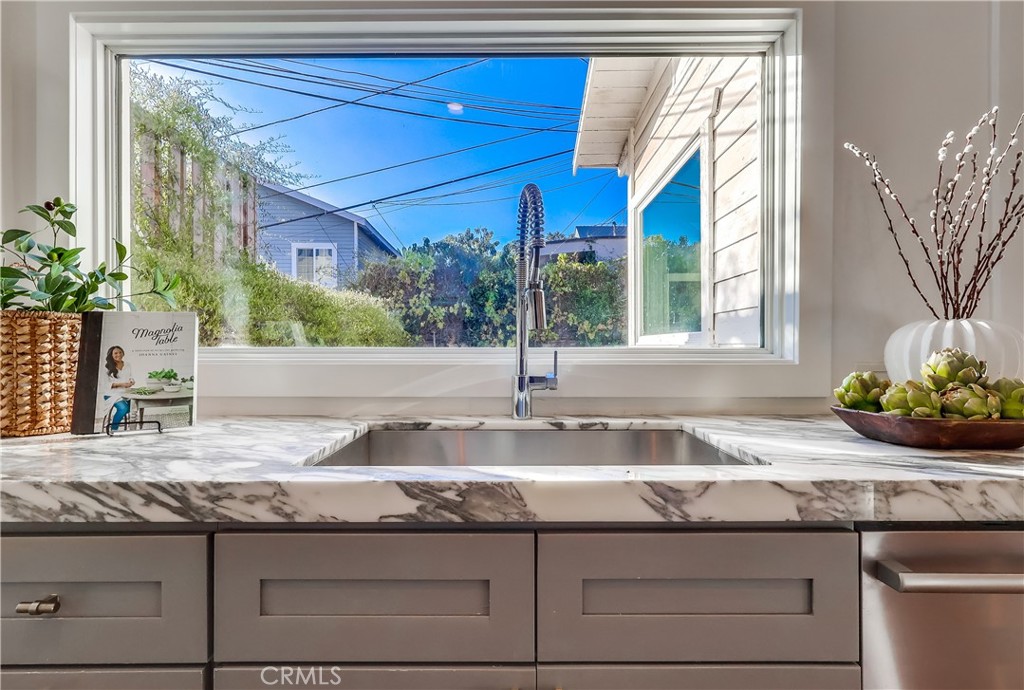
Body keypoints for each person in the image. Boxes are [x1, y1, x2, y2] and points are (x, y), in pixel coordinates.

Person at [103, 345, 135, 431]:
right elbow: (106, 384)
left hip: (125, 393)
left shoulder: (127, 364)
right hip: (111, 394)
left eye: (120, 352)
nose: (119, 354)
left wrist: (131, 381)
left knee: (133, 407)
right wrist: (122, 384)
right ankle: (114, 429)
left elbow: (130, 376)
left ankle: (114, 419)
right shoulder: (106, 367)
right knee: (124, 408)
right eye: (116, 353)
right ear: (111, 355)